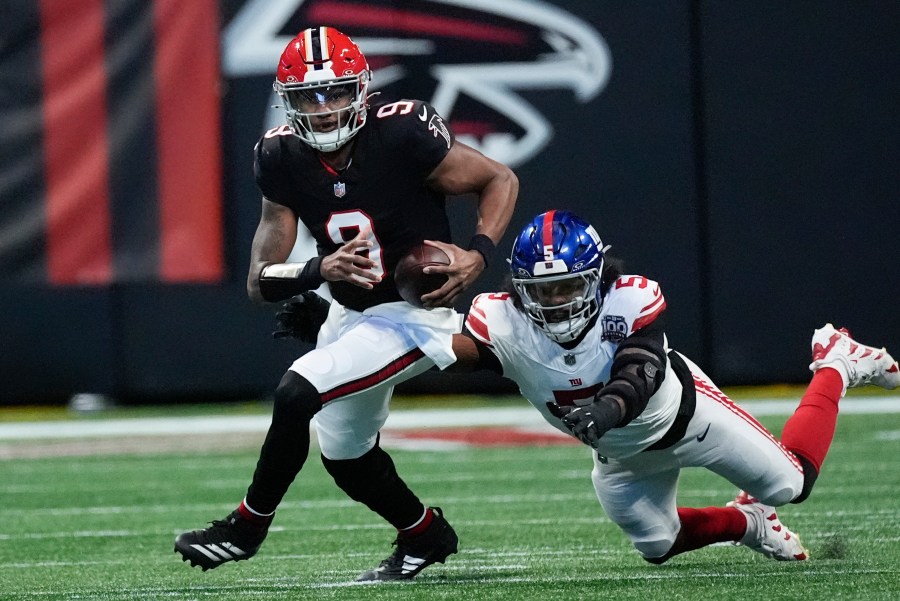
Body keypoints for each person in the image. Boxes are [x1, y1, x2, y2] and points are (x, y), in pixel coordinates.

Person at [273, 209, 900, 564]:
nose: (557, 301)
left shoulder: (632, 299)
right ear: (521, 289)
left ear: (597, 278)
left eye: (569, 286)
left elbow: (642, 368)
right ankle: (744, 524)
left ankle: (835, 363)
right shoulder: (502, 322)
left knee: (793, 483)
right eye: (542, 290)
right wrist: (332, 323)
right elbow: (426, 350)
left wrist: (607, 406)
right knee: (657, 546)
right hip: (620, 456)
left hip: (689, 419)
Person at [174, 26, 518, 581]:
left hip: (414, 316)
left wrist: (477, 255)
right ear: (288, 102)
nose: (325, 107)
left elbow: (498, 177)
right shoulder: (280, 155)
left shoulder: (403, 132)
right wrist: (318, 271)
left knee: (296, 391)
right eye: (309, 96)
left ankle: (246, 527)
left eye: (334, 91)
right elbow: (259, 282)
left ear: (361, 89)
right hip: (352, 313)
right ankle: (424, 534)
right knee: (345, 454)